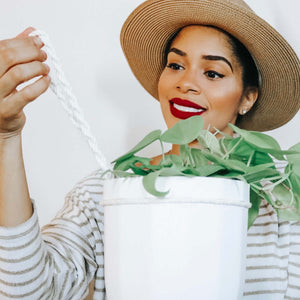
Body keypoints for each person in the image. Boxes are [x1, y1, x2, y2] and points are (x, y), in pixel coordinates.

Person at [0, 0, 299, 299]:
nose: (185, 83)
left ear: (247, 97)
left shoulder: (284, 200)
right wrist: (6, 137)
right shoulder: (105, 193)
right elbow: (31, 292)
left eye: (212, 73)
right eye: (176, 65)